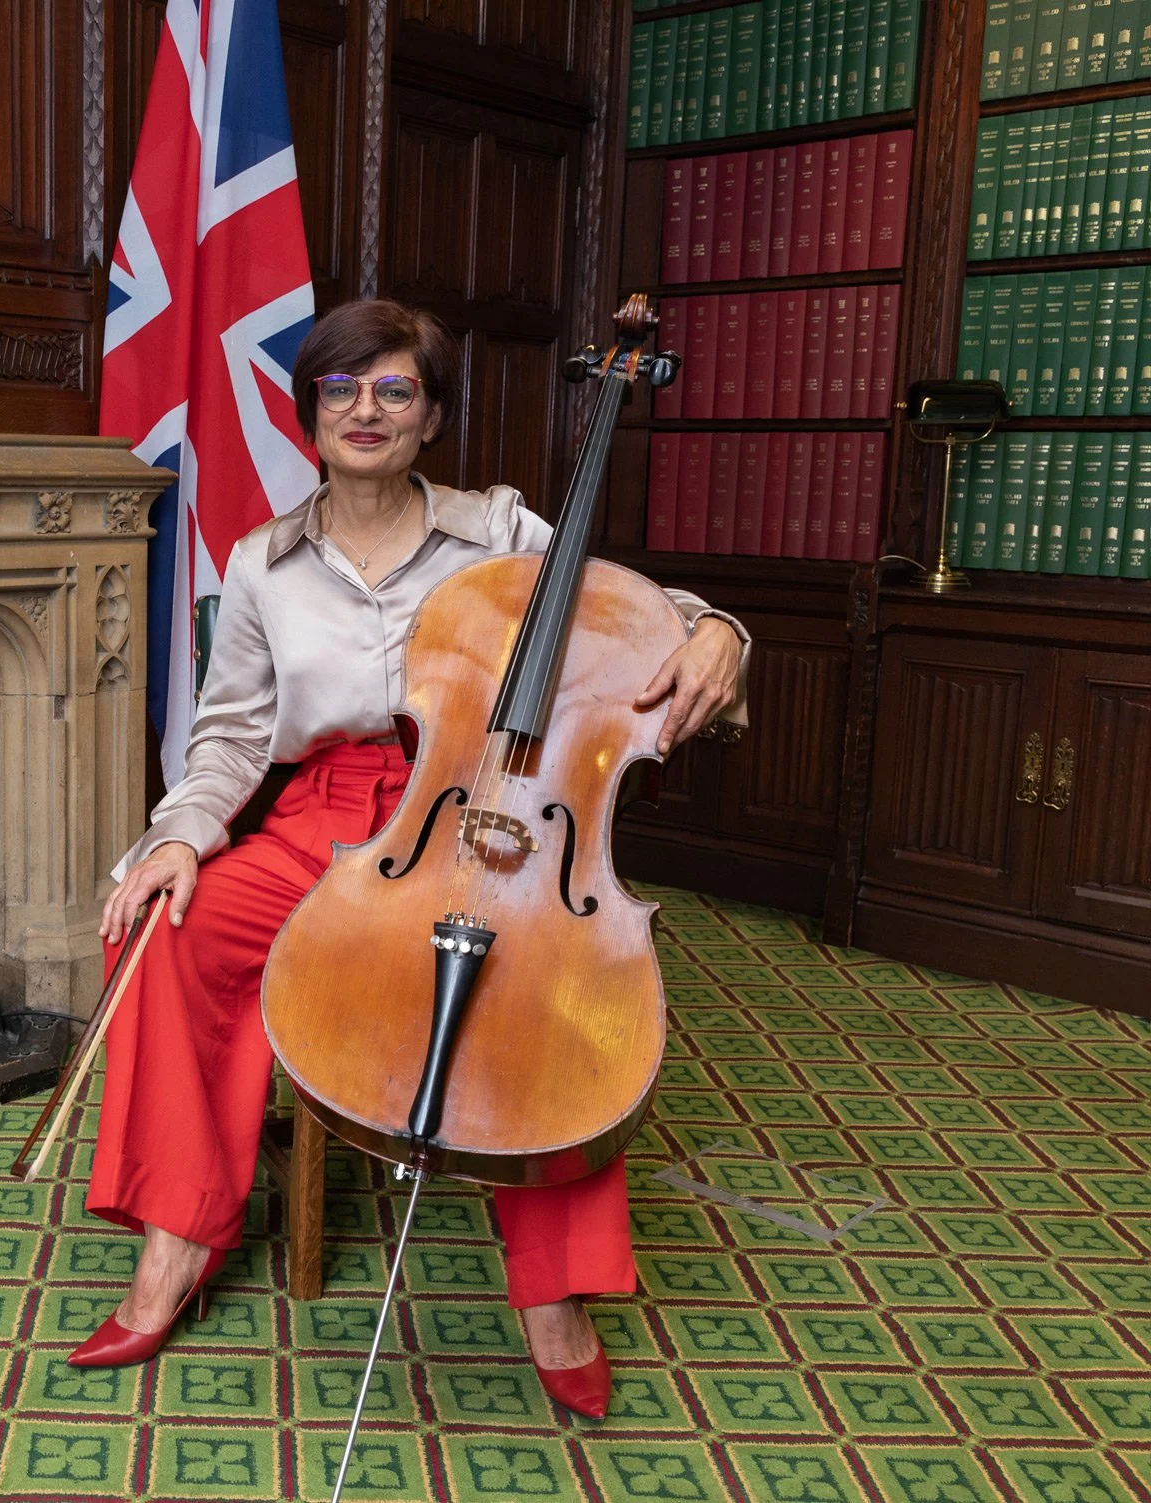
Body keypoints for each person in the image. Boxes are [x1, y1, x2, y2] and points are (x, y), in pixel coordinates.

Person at [71, 299, 749, 1419]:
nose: (364, 410)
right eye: (340, 389)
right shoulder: (261, 565)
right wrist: (179, 836)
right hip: (319, 823)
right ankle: (177, 1238)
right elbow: (231, 735)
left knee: (543, 989)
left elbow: (639, 614)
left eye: (394, 390)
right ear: (308, 414)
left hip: (492, 812)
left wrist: (719, 627)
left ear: (430, 415)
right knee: (167, 935)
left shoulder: (503, 536)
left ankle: (551, 1293)